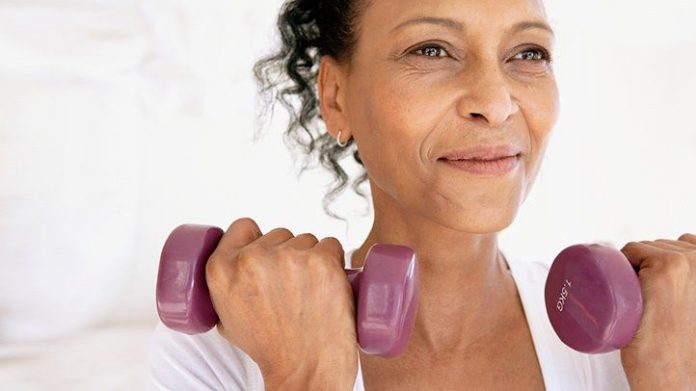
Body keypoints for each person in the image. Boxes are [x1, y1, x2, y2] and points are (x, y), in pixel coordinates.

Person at [148, 0, 696, 389]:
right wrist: (305, 379)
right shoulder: (223, 348)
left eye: (528, 53)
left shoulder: (656, 341)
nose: (496, 101)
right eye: (432, 49)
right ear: (336, 97)